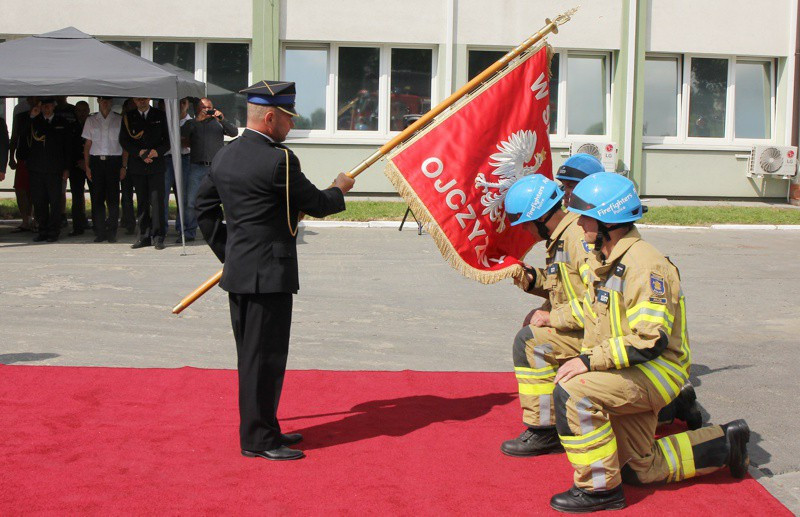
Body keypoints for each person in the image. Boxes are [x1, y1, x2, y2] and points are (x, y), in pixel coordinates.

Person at [547, 172, 750, 513]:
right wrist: (553, 321)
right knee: (639, 468)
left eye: (585, 216)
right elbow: (593, 314)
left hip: (655, 370)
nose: (579, 223)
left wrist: (586, 363)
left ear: (608, 221)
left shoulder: (645, 266)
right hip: (632, 368)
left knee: (574, 391)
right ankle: (725, 442)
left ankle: (599, 490)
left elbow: (649, 341)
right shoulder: (607, 260)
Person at [196, 80, 355, 461]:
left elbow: (203, 209)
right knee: (264, 358)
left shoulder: (224, 156)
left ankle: (266, 427)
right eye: (287, 119)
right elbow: (316, 203)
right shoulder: (279, 160)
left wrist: (229, 254)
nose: (290, 126)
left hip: (242, 272)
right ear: (269, 117)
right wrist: (340, 188)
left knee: (254, 356)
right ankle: (258, 439)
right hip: (269, 274)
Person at [500, 170, 595, 457]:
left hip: (596, 335)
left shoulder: (578, 241)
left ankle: (544, 430)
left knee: (530, 341)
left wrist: (550, 318)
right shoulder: (563, 237)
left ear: (541, 218)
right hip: (587, 329)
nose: (526, 231)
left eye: (527, 225)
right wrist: (530, 277)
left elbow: (598, 305)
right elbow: (564, 288)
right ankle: (673, 406)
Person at [180, 97, 238, 242]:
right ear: (197, 109)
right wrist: (197, 121)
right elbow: (183, 134)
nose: (206, 110)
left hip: (215, 167)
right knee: (191, 202)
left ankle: (224, 231)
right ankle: (188, 232)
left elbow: (234, 132)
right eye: (203, 107)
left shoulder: (217, 123)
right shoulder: (191, 123)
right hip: (196, 167)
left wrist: (222, 119)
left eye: (209, 107)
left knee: (222, 200)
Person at [119, 97, 170, 250]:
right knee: (141, 202)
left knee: (157, 202)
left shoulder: (160, 115)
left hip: (156, 165)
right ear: (134, 100)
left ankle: (159, 236)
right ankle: (144, 236)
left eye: (144, 99)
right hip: (138, 165)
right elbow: (124, 140)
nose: (141, 102)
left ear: (149, 99)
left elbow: (168, 139)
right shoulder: (129, 117)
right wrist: (139, 153)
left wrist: (157, 152)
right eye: (138, 100)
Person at [17, 98, 70, 242]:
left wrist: (66, 168)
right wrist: (32, 116)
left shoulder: (62, 123)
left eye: (49, 106)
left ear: (54, 107)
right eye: (44, 106)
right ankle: (43, 230)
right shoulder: (34, 121)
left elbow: (67, 147)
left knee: (55, 201)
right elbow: (22, 134)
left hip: (55, 169)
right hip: (36, 168)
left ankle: (54, 231)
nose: (47, 109)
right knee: (39, 201)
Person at [83, 96, 123, 242]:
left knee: (113, 199)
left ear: (112, 101)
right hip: (96, 162)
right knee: (97, 198)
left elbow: (124, 145)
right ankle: (100, 231)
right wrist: (87, 166)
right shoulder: (91, 120)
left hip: (113, 162)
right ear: (98, 101)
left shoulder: (118, 119)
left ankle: (112, 232)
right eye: (102, 100)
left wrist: (123, 166)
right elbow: (87, 145)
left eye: (107, 100)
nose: (105, 103)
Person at [159, 97, 192, 240]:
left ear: (188, 105)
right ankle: (162, 228)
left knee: (183, 195)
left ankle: (182, 227)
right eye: (177, 102)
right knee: (163, 195)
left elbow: (189, 142)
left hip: (184, 159)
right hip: (167, 159)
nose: (180, 106)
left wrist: (179, 140)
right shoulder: (166, 119)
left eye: (183, 103)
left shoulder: (191, 122)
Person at [9, 97, 37, 233]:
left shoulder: (45, 115)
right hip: (23, 157)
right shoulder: (20, 116)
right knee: (21, 189)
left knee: (36, 190)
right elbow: (15, 136)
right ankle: (26, 220)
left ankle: (37, 220)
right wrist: (11, 157)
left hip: (39, 160)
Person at [66, 100, 91, 236]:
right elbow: (68, 148)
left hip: (92, 165)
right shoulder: (71, 127)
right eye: (79, 111)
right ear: (75, 112)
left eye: (84, 110)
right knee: (77, 196)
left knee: (97, 195)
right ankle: (78, 226)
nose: (82, 114)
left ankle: (98, 225)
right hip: (76, 166)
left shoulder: (94, 124)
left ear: (88, 111)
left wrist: (87, 162)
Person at [119, 98, 137, 234]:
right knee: (126, 196)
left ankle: (144, 222)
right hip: (123, 163)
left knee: (144, 196)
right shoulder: (120, 121)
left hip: (138, 162)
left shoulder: (138, 120)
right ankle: (129, 222)